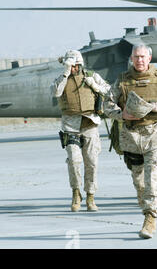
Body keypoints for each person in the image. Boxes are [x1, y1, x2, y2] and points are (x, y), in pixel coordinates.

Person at [104, 44, 157, 239]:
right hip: (131, 137)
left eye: (143, 57)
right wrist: (121, 115)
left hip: (155, 134)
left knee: (152, 179)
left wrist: (154, 107)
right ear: (131, 58)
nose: (139, 60)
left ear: (149, 58)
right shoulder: (122, 80)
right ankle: (146, 208)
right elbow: (106, 104)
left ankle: (150, 217)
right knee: (139, 181)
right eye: (136, 57)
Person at [51, 49, 110, 212]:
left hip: (90, 125)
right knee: (74, 161)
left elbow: (108, 90)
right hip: (70, 127)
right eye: (70, 65)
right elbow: (56, 92)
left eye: (74, 65)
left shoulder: (91, 75)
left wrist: (94, 85)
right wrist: (65, 73)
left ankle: (90, 195)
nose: (73, 69)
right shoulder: (62, 78)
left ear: (80, 64)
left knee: (91, 162)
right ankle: (76, 193)